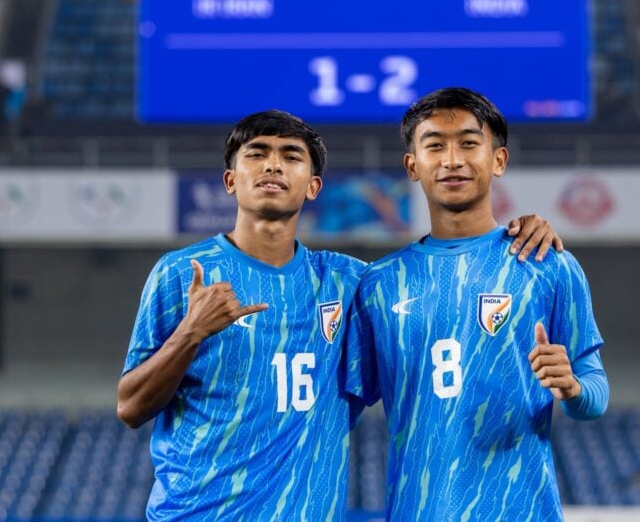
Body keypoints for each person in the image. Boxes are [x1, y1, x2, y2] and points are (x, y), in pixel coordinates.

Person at [117, 109, 565, 519]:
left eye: (291, 156)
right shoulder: (181, 274)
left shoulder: (348, 283)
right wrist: (191, 332)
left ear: (313, 186)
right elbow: (131, 407)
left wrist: (515, 236)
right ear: (231, 180)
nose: (273, 165)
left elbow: (434, 284)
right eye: (257, 154)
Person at [344, 88, 609, 520]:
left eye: (469, 143)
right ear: (412, 165)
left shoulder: (548, 264)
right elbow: (336, 411)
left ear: (498, 160)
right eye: (435, 146)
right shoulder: (378, 284)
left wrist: (572, 388)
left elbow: (595, 395)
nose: (452, 160)